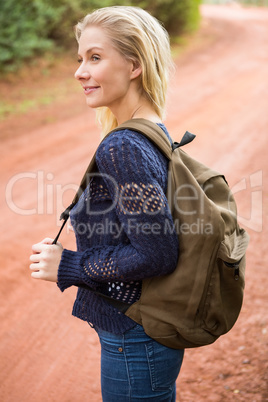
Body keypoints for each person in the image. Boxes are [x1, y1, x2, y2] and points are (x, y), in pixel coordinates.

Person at [29, 6, 184, 401]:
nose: (80, 71)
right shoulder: (152, 130)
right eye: (81, 58)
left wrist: (68, 264)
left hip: (135, 337)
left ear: (134, 65)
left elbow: (157, 252)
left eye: (95, 58)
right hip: (145, 336)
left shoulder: (123, 146)